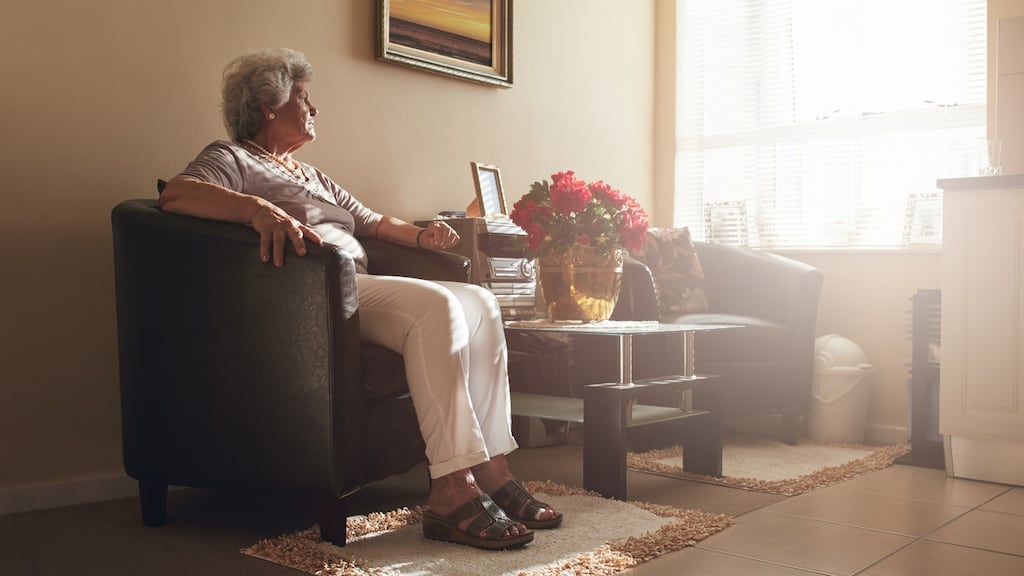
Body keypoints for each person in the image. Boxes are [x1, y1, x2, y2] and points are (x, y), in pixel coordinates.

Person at [159, 48, 561, 550]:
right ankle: (451, 491)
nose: (315, 109)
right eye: (304, 98)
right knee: (437, 308)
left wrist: (422, 236)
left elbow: (370, 221)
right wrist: (257, 209)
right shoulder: (231, 157)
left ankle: (493, 469)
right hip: (308, 298)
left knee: (479, 300)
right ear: (267, 105)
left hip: (355, 289)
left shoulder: (312, 175)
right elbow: (177, 194)